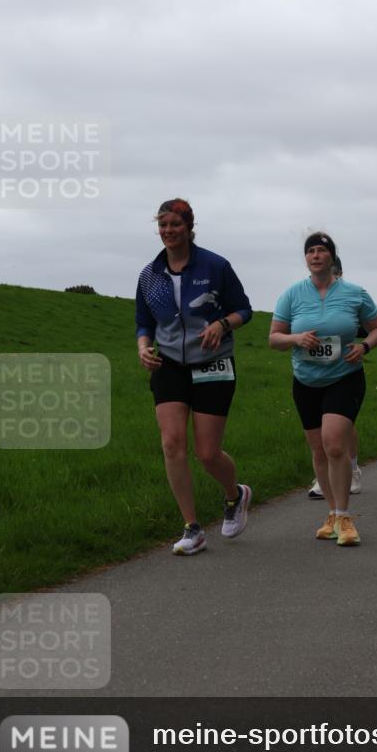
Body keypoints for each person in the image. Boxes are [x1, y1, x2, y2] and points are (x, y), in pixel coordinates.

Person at [136, 199, 253, 555]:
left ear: (189, 227)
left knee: (206, 452)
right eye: (163, 225)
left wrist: (221, 323)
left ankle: (235, 495)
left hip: (213, 363)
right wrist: (143, 346)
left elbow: (243, 309)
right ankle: (192, 527)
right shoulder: (150, 275)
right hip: (169, 363)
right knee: (172, 443)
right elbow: (144, 322)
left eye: (175, 225)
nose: (168, 231)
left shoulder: (214, 266)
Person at [269, 233, 377, 546]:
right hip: (305, 380)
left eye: (322, 250)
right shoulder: (292, 295)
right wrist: (296, 339)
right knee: (319, 450)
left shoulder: (355, 293)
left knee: (334, 444)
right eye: (311, 251)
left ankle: (345, 517)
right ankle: (332, 514)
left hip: (345, 376)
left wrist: (364, 346)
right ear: (306, 258)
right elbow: (274, 338)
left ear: (332, 258)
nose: (316, 255)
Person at [307, 256, 362, 499]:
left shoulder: (350, 297)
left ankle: (352, 466)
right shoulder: (310, 297)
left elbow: (369, 328)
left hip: (344, 372)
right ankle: (326, 476)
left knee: (343, 428)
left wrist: (361, 345)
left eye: (338, 274)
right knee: (322, 434)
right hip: (312, 375)